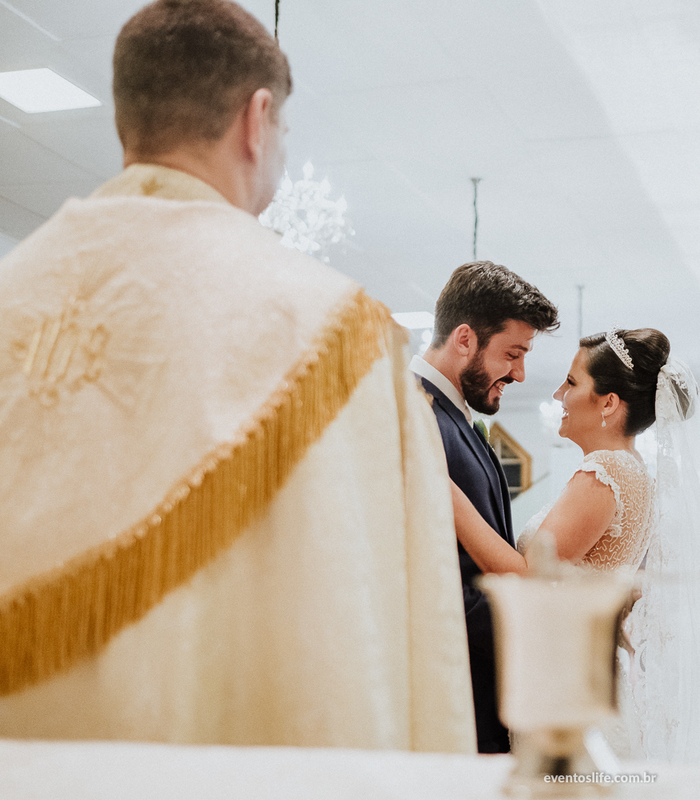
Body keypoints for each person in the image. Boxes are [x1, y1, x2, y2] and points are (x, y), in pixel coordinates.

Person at [0, 0, 472, 752]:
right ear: (257, 121)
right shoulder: (336, 332)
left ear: (126, 119)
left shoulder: (13, 292)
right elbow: (393, 630)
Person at [454, 328, 700, 767]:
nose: (557, 394)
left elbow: (528, 578)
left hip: (569, 684)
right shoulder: (632, 471)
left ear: (608, 403)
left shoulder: (605, 472)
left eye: (571, 382)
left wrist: (447, 493)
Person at [411, 260, 559, 753]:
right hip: (451, 692)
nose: (520, 373)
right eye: (512, 354)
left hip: (482, 688)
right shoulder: (413, 415)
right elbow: (427, 573)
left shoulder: (449, 413)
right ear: (465, 339)